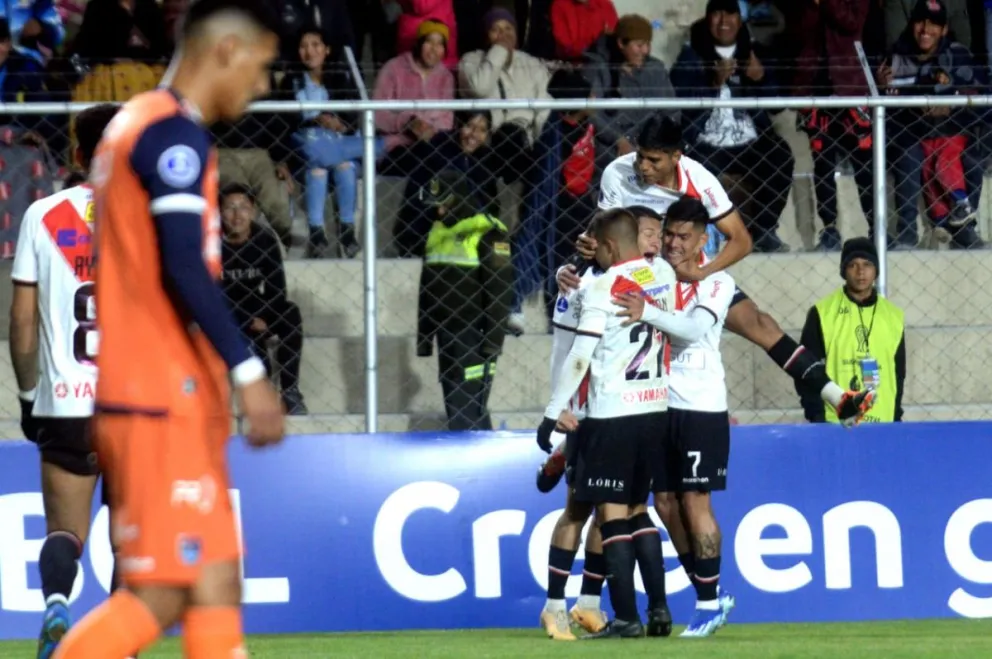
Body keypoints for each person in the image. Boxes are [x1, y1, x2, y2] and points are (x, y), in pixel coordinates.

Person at [53, 2, 286, 658]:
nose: (264, 85)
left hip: (167, 392)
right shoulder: (171, 135)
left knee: (214, 583)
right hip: (157, 393)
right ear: (227, 49)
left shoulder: (139, 125)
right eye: (263, 66)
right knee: (161, 593)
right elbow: (184, 264)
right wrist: (248, 369)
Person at [566, 115, 874, 426]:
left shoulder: (700, 180)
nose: (643, 166)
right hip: (641, 280)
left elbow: (741, 240)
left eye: (653, 160)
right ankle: (571, 438)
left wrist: (703, 273)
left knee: (760, 323)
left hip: (688, 273)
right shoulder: (618, 173)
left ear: (676, 157)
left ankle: (837, 397)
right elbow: (604, 232)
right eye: (641, 156)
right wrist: (590, 243)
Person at [9, 103, 119, 659]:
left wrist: (30, 397)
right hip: (133, 408)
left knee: (64, 533)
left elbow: (22, 324)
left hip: (66, 404)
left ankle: (56, 606)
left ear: (78, 155)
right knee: (134, 543)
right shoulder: (149, 218)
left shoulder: (43, 214)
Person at [537, 207, 675, 639]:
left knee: (604, 513)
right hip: (653, 411)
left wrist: (550, 413)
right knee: (632, 511)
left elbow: (578, 355)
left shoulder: (603, 287)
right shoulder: (664, 278)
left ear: (610, 246)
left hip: (607, 414)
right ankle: (653, 611)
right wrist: (573, 274)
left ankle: (619, 615)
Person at [613, 196, 737, 637]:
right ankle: (711, 594)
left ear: (705, 240)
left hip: (700, 405)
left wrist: (646, 311)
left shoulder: (718, 281)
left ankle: (706, 603)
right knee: (664, 503)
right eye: (669, 234)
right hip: (657, 403)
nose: (674, 243)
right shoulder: (657, 274)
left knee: (694, 501)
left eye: (685, 237)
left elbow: (692, 329)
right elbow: (614, 270)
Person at [416, 170, 514, 431]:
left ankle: (476, 464)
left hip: (476, 335)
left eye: (444, 205)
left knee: (468, 408)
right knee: (457, 406)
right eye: (436, 206)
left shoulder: (487, 231)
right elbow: (426, 287)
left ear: (459, 199)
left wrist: (493, 340)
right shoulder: (438, 231)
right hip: (446, 335)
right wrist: (424, 337)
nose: (439, 212)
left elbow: (500, 290)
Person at [219, 183, 308, 415]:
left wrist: (266, 318)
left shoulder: (264, 239)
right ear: (219, 212)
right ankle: (262, 391)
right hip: (224, 309)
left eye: (244, 208)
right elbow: (210, 292)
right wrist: (248, 319)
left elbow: (277, 288)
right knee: (261, 364)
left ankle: (290, 391)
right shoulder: (211, 241)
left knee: (290, 313)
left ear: (254, 211)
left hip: (256, 303)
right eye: (230, 208)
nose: (237, 215)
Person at [798, 238, 906, 424]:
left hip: (883, 421)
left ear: (876, 271)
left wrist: (895, 416)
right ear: (843, 271)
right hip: (835, 422)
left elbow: (898, 374)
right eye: (852, 265)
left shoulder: (893, 316)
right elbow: (805, 370)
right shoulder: (822, 312)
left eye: (867, 264)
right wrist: (816, 415)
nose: (860, 272)